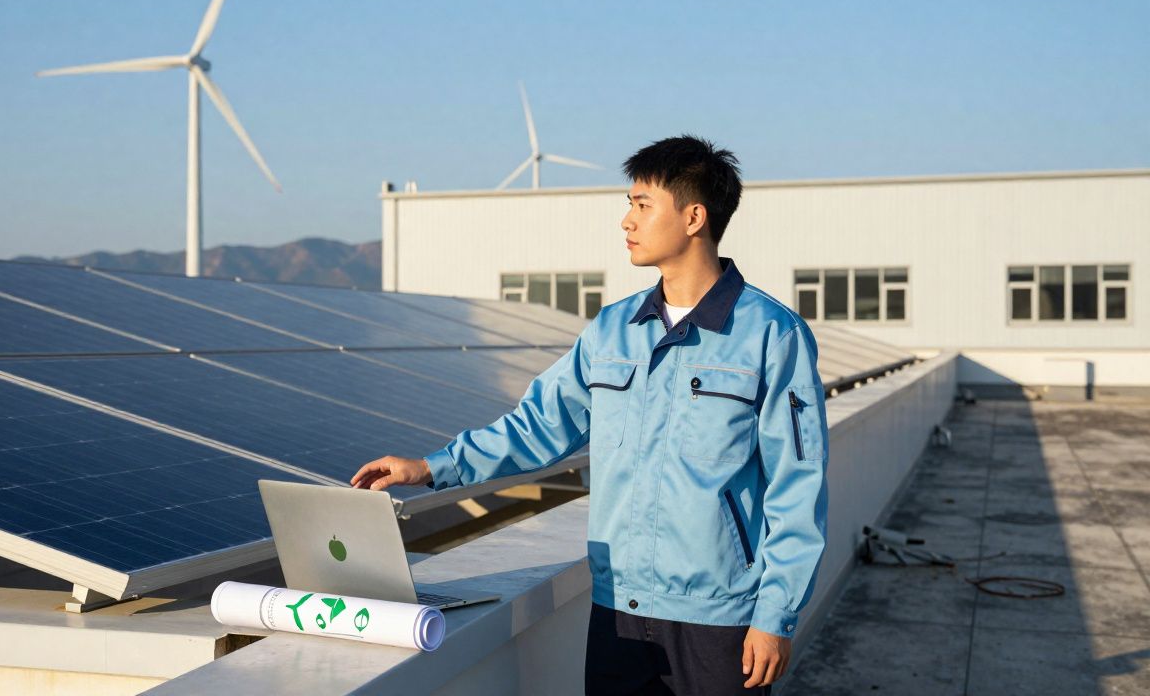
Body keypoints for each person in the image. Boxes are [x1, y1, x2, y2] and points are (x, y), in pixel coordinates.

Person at [351, 135, 828, 695]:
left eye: (641, 204)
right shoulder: (612, 330)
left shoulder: (772, 335)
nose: (626, 221)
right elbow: (539, 425)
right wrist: (433, 467)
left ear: (694, 216)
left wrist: (777, 614)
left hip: (719, 617)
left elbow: (798, 486)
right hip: (618, 611)